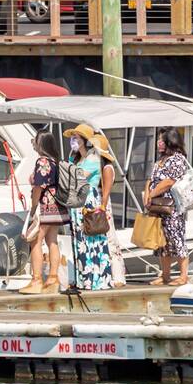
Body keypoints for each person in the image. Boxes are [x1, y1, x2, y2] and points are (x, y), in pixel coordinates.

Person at [64, 123, 112, 291]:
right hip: (77, 200)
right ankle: (83, 278)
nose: (73, 141)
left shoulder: (93, 158)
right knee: (79, 239)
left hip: (87, 199)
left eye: (76, 137)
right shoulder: (77, 158)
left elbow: (77, 178)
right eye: (72, 138)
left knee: (91, 237)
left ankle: (95, 278)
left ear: (85, 140)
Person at [145, 128, 192, 287]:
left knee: (177, 239)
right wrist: (147, 194)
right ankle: (165, 276)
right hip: (158, 207)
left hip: (172, 207)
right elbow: (151, 179)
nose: (158, 143)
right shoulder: (161, 159)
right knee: (162, 242)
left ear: (170, 141)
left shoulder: (178, 159)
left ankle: (183, 276)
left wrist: (151, 194)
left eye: (161, 140)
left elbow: (169, 182)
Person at [22, 131, 66, 294]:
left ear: (40, 144)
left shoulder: (42, 161)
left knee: (35, 241)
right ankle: (53, 278)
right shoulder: (56, 161)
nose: (33, 144)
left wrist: (33, 207)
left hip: (44, 205)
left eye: (34, 141)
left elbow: (38, 188)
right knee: (52, 241)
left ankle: (37, 280)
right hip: (57, 206)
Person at [92, 132, 127, 288]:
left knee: (111, 240)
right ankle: (109, 275)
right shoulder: (98, 166)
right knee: (103, 240)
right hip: (98, 204)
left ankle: (119, 276)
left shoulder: (107, 167)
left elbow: (105, 192)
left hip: (103, 205)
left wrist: (102, 207)